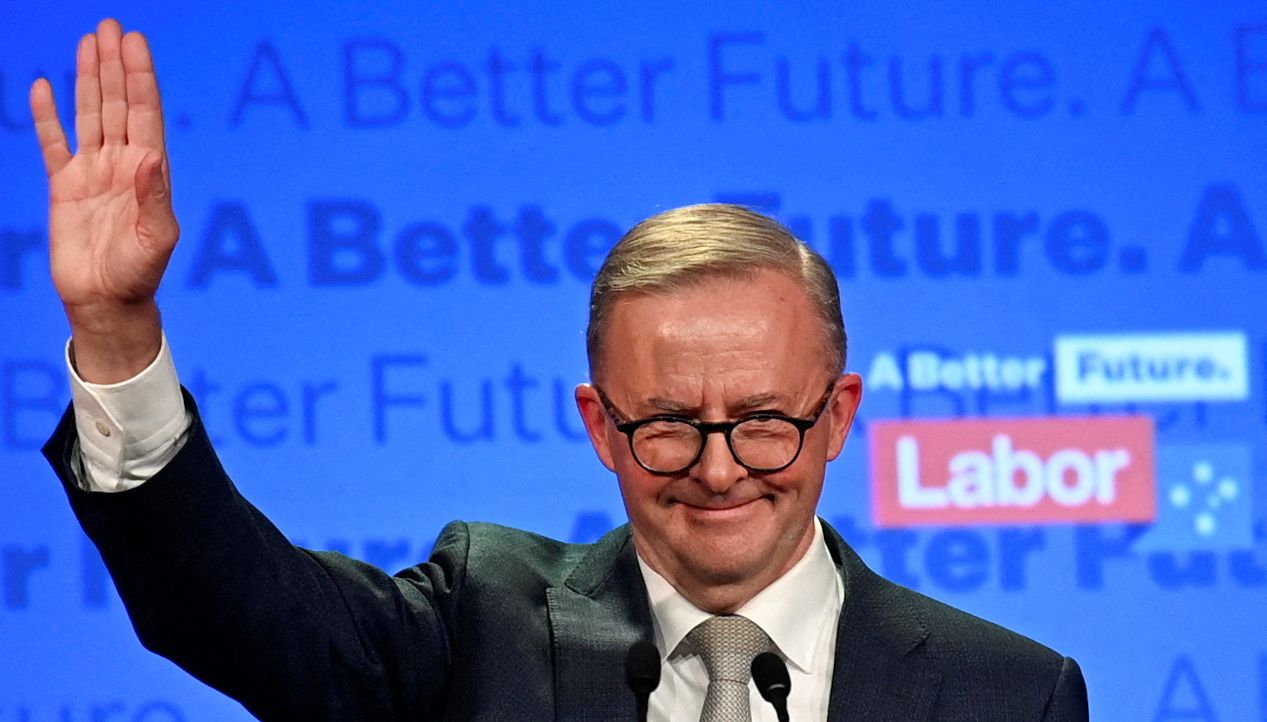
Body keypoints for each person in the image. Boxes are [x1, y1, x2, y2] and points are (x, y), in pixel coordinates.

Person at [34, 18, 1089, 722]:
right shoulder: (481, 622)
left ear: (838, 411)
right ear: (597, 421)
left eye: (764, 419)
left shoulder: (1006, 690)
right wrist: (119, 329)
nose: (719, 471)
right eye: (667, 422)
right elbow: (232, 612)